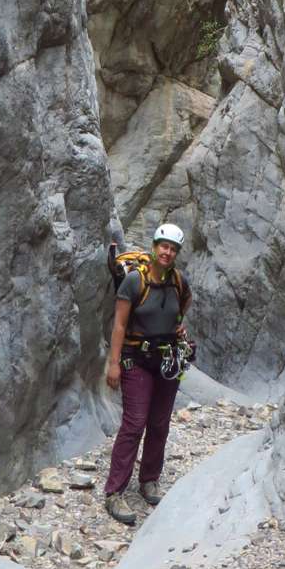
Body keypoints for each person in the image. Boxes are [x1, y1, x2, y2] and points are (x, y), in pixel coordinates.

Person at [103, 222, 191, 525]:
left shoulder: (179, 281)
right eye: (164, 246)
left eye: (173, 249)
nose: (168, 252)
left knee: (160, 423)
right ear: (154, 247)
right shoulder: (134, 282)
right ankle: (114, 491)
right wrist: (114, 363)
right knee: (134, 424)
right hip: (136, 360)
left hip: (167, 360)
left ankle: (149, 479)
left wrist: (178, 325)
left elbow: (184, 305)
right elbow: (119, 325)